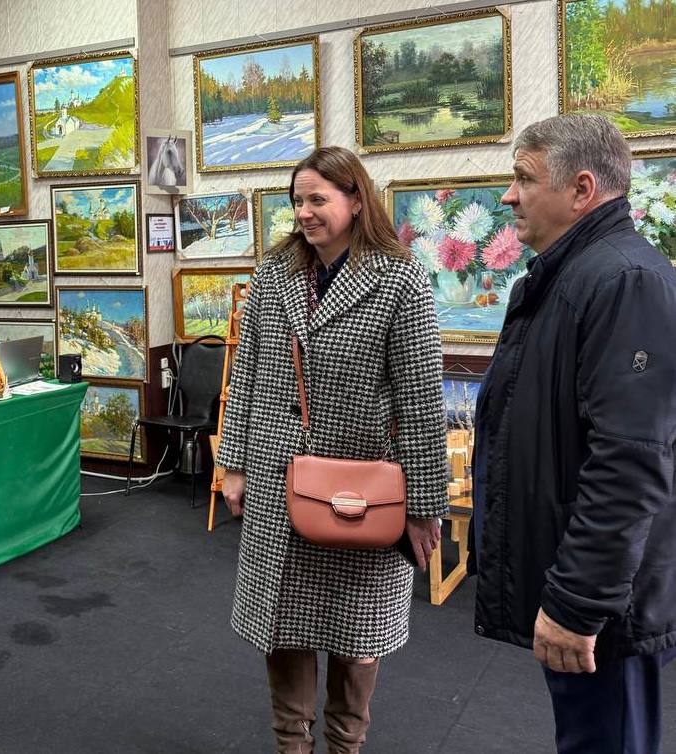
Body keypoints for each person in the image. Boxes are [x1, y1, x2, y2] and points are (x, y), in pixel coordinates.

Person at [217, 146, 447, 753]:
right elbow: (247, 372)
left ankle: (346, 745)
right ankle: (291, 744)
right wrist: (232, 465)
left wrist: (425, 507)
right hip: (277, 479)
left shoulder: (399, 279)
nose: (304, 212)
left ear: (356, 200)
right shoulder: (275, 274)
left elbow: (422, 402)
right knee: (282, 627)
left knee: (357, 634)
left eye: (317, 199)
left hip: (361, 490)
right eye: (297, 200)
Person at [471, 114, 676, 754]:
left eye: (524, 178)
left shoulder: (623, 281)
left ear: (582, 189)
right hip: (587, 584)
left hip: (606, 602)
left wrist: (579, 601)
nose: (509, 196)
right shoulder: (572, 276)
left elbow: (630, 462)